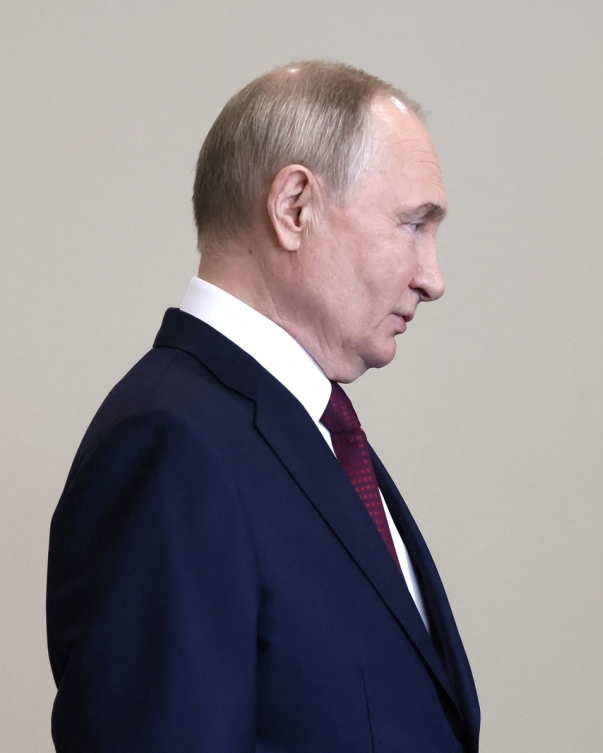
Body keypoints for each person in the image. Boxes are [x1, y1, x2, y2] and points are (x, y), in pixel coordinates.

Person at [46, 61, 478, 752]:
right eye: (411, 224)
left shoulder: (310, 434)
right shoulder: (172, 446)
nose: (433, 277)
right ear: (294, 207)